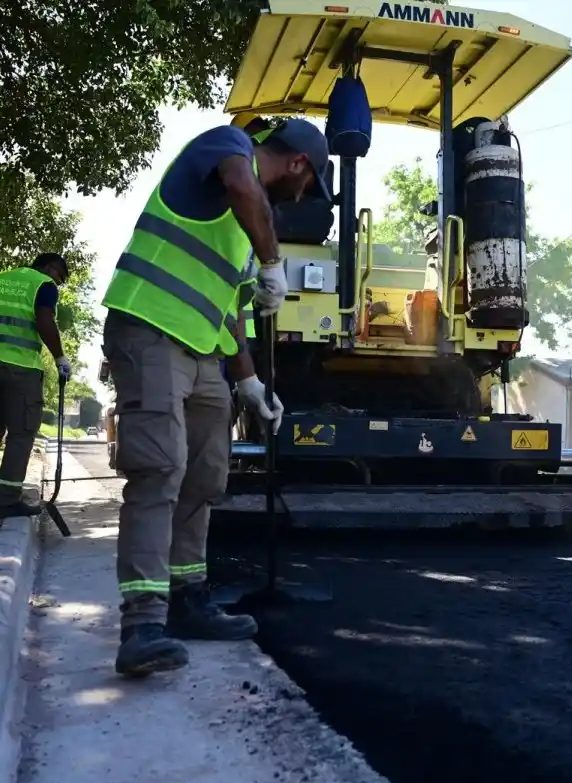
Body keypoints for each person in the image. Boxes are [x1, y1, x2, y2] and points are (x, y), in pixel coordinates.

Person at [101, 117, 332, 678]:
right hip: (150, 328)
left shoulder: (246, 227)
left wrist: (251, 383)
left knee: (207, 474)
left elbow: (230, 311)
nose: (303, 197)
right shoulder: (228, 149)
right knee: (160, 468)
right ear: (298, 164)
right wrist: (274, 261)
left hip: (205, 351)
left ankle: (187, 599)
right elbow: (240, 184)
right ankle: (143, 624)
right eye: (309, 184)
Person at [0, 253, 70, 518]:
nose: (58, 285)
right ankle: (6, 500)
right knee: (21, 433)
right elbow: (44, 320)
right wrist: (60, 358)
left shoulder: (3, 278)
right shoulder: (43, 285)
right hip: (21, 369)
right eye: (60, 278)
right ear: (50, 268)